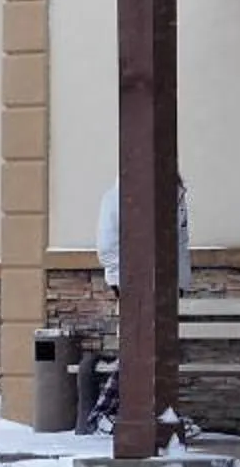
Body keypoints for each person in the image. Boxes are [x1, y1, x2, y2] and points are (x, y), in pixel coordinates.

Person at [83, 178, 193, 437]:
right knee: (138, 347)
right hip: (133, 283)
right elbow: (107, 247)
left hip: (164, 283)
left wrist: (180, 282)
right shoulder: (118, 196)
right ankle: (105, 412)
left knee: (153, 348)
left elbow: (180, 241)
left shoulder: (175, 195)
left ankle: (155, 413)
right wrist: (127, 282)